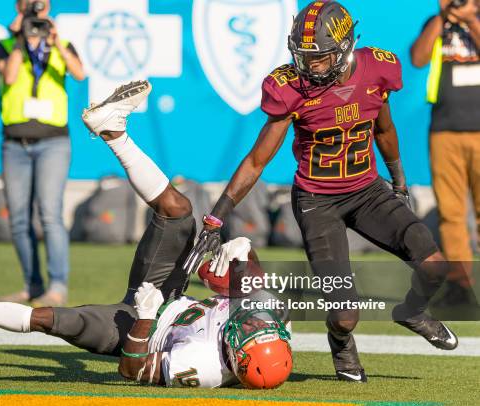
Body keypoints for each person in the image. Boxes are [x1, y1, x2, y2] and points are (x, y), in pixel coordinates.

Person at [0, 81, 292, 389]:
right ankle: (113, 131)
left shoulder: (202, 366)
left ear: (235, 358)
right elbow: (250, 285)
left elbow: (132, 371)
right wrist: (243, 253)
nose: (254, 323)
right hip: (172, 292)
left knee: (52, 319)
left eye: (250, 333)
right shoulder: (269, 320)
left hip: (142, 325)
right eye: (260, 325)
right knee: (179, 211)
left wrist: (146, 320)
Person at [184, 1, 459, 383]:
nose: (309, 66)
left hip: (367, 191)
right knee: (346, 313)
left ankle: (412, 311)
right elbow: (256, 161)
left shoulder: (377, 69)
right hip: (317, 202)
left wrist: (398, 181)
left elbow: (383, 130)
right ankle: (341, 343)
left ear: (345, 47)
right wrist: (215, 218)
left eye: (319, 57)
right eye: (304, 56)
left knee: (435, 266)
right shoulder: (290, 88)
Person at [0, 0, 85, 307]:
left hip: (53, 142)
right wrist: (21, 39)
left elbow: (79, 73)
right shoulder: (5, 45)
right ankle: (32, 285)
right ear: (18, 9)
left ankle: (57, 286)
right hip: (15, 143)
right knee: (19, 219)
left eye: (40, 9)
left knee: (49, 214)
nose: (35, 16)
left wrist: (55, 41)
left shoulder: (62, 44)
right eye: (28, 8)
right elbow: (9, 77)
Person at [410, 0, 480, 305]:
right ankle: (460, 286)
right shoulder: (436, 23)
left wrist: (472, 20)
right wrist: (441, 19)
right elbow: (417, 58)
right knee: (451, 213)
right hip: (444, 130)